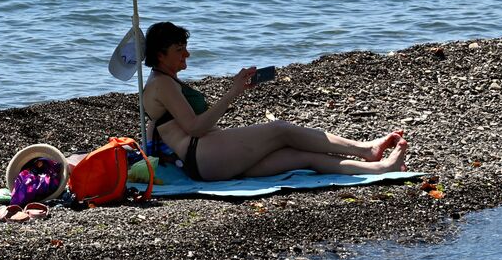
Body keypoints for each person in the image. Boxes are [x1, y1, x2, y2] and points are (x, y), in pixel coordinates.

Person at [141, 21, 408, 181]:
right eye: (178, 50)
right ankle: (365, 149)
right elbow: (195, 128)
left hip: (210, 160)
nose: (186, 53)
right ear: (160, 55)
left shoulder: (163, 81)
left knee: (301, 157)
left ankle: (379, 168)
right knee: (279, 129)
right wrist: (234, 91)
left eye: (184, 47)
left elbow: (162, 127)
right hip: (203, 156)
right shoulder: (162, 83)